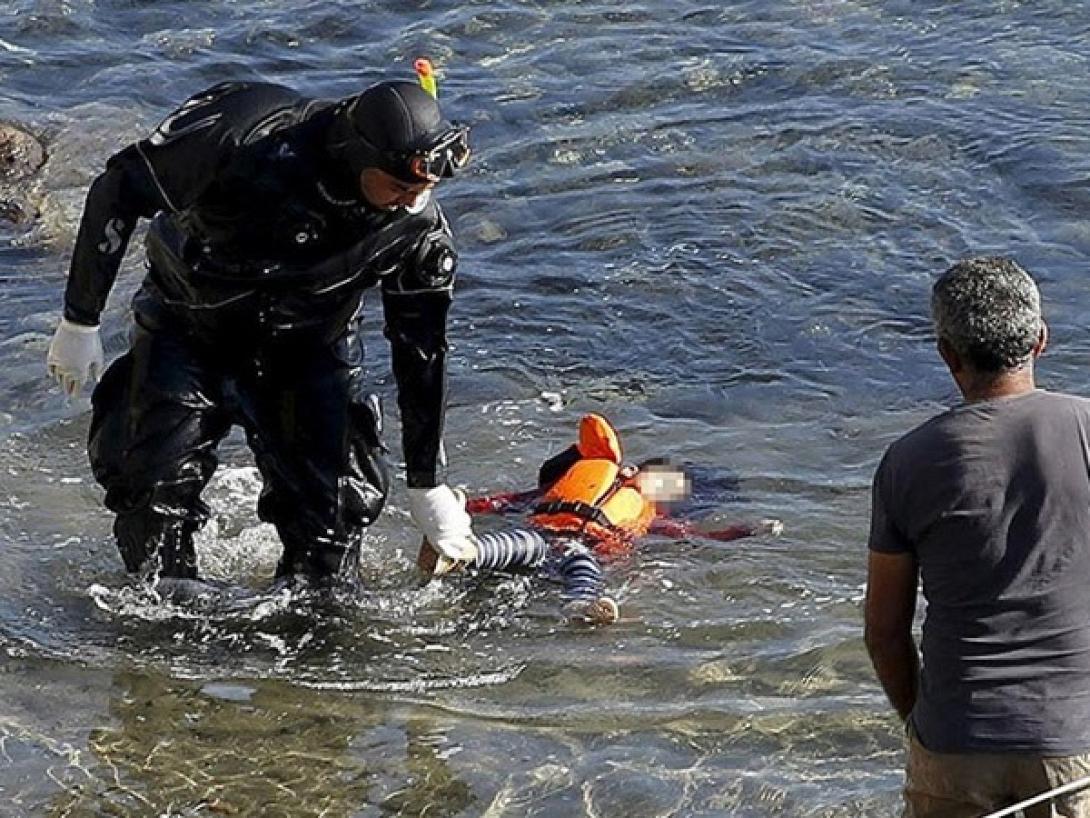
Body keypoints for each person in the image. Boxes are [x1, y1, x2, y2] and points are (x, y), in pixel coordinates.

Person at [44, 66, 481, 581]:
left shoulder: (418, 231)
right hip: (189, 328)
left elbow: (422, 351)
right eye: (400, 185)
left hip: (310, 348)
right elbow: (119, 188)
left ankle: (312, 635)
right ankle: (159, 633)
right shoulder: (242, 135)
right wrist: (80, 320)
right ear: (357, 155)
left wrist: (427, 483)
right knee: (150, 493)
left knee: (334, 522)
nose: (412, 199)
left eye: (423, 187)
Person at [865, 256, 1090, 817]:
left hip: (954, 739)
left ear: (947, 354)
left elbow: (884, 631)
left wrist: (924, 721)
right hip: (1071, 741)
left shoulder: (908, 462)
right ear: (1041, 340)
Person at [418, 413, 783, 624]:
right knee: (572, 566)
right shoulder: (649, 515)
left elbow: (504, 503)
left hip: (547, 537)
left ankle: (461, 554)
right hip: (568, 543)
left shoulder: (625, 500)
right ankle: (461, 554)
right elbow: (697, 536)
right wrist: (743, 532)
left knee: (515, 549)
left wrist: (466, 506)